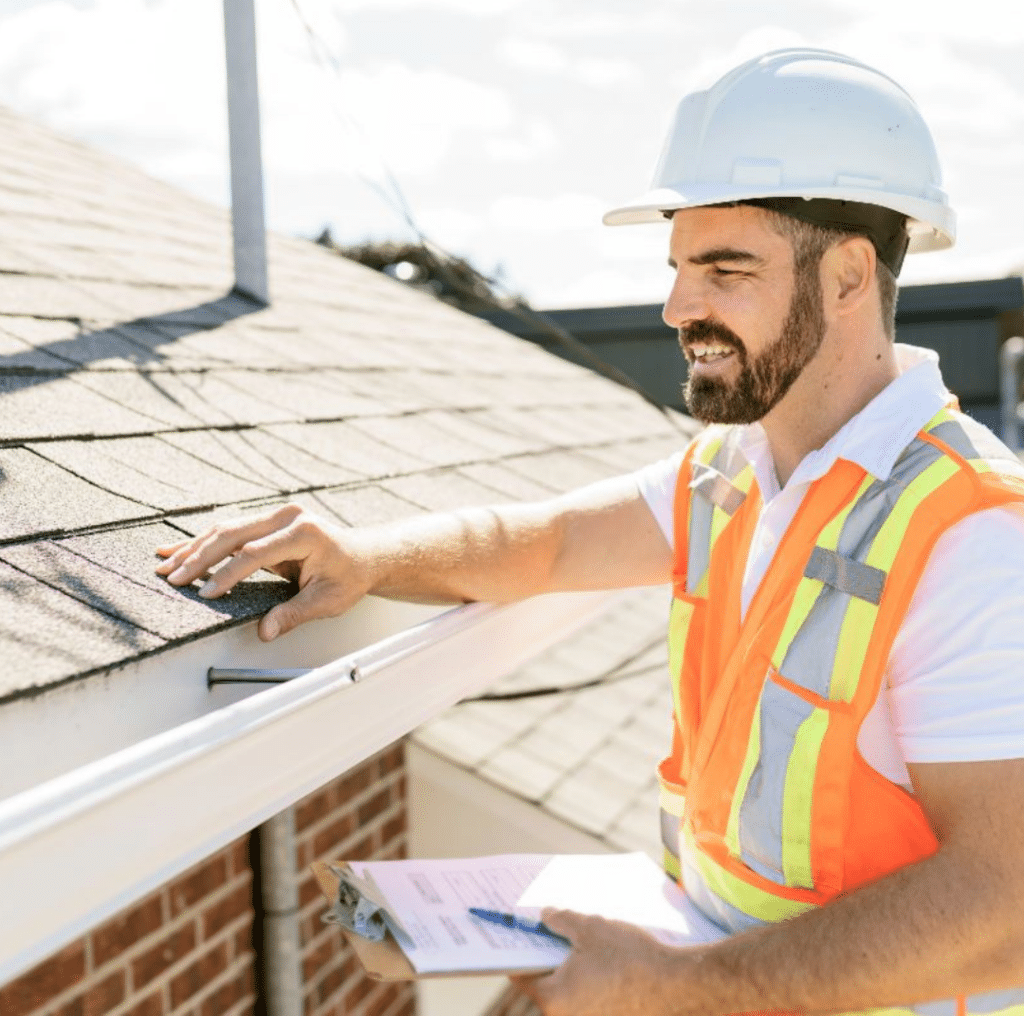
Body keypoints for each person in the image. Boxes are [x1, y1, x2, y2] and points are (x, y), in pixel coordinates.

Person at [157, 49, 1024, 1015]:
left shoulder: (973, 534)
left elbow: (1008, 909)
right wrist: (364, 557)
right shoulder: (735, 473)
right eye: (679, 269)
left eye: (725, 270)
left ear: (850, 276)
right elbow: (555, 543)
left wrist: (676, 985)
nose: (678, 308)